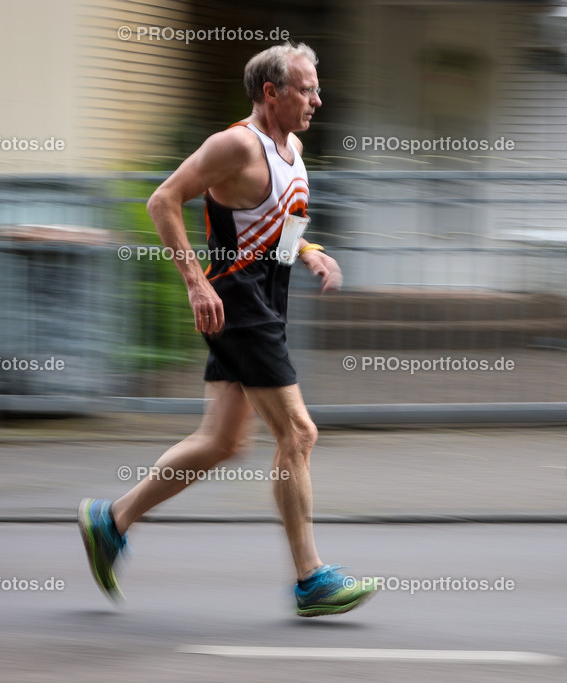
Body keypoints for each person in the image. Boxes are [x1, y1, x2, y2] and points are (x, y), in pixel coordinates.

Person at [78, 42, 376, 617]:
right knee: (300, 434)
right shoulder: (236, 143)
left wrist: (310, 251)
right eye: (307, 88)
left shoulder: (292, 148)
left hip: (264, 301)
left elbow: (282, 223)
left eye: (316, 87)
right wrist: (195, 282)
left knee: (222, 442)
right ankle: (311, 579)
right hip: (236, 303)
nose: (318, 98)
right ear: (272, 93)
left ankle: (110, 521)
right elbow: (162, 200)